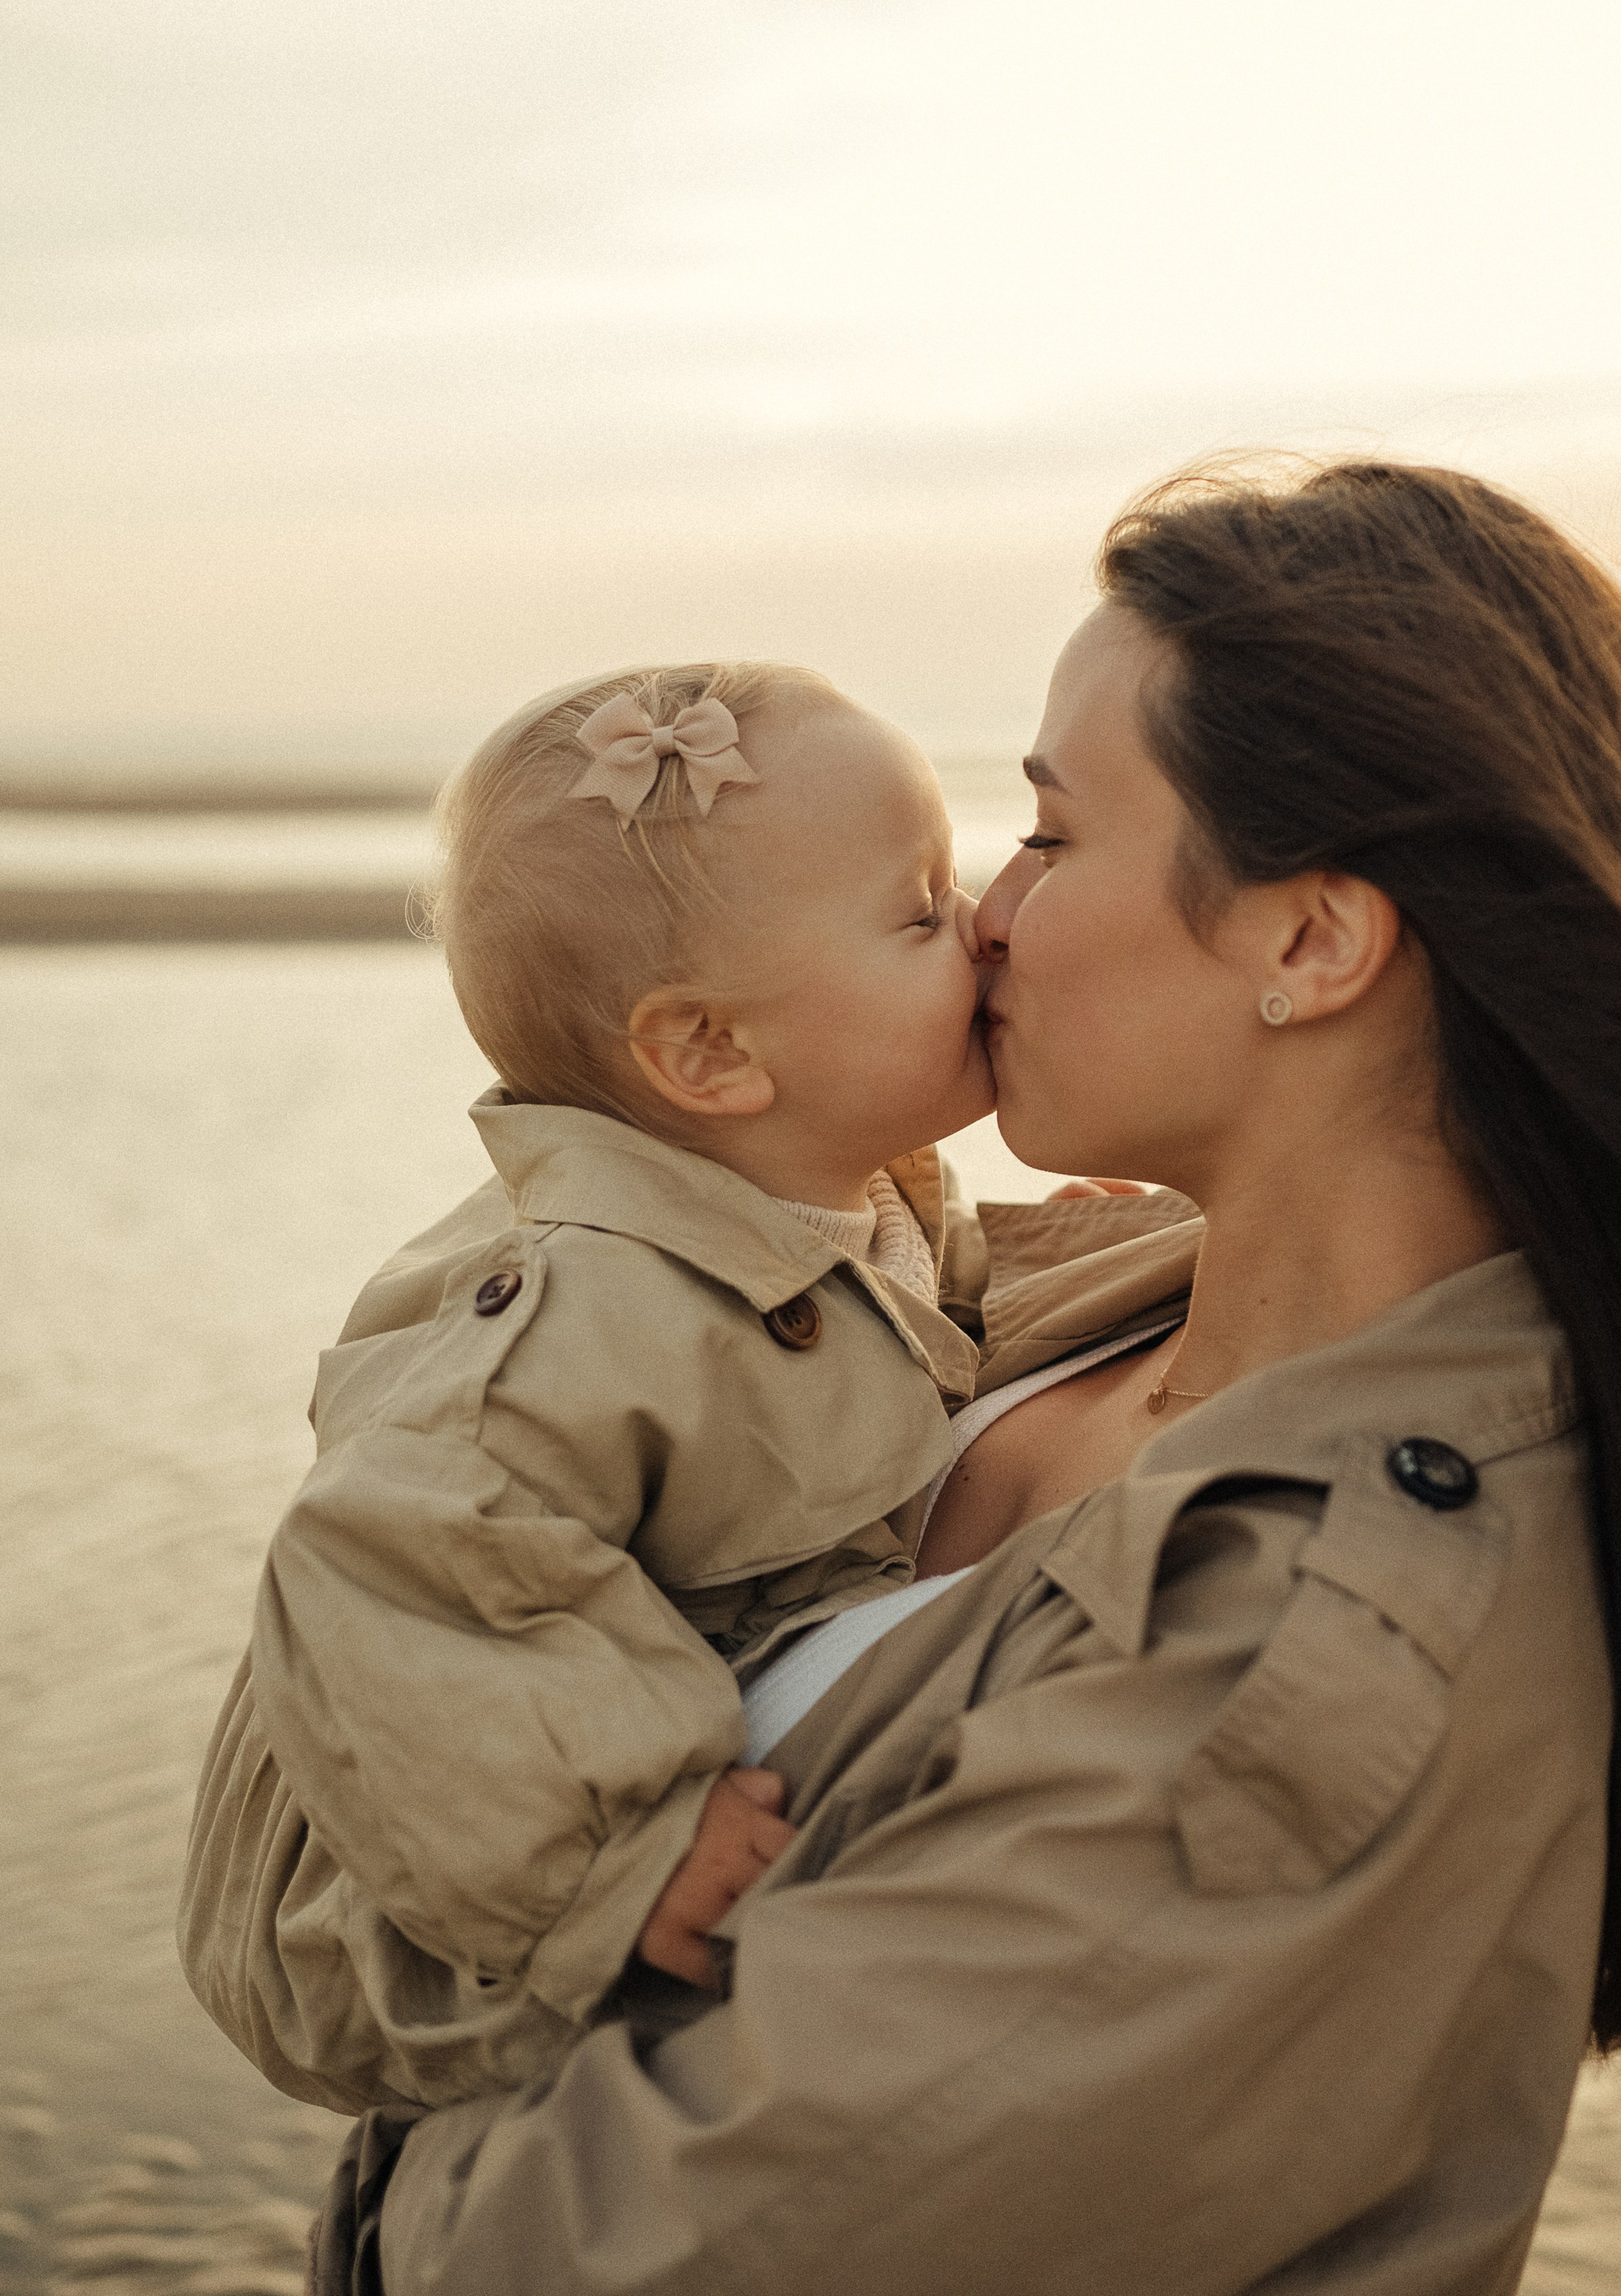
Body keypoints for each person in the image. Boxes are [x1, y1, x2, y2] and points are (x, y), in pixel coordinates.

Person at [319, 459, 1621, 2296]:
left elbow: (577, 2257)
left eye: (1048, 832)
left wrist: (402, 1840)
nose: (992, 913)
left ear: (1310, 939)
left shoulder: (1319, 1646)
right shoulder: (1045, 1293)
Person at [180, 660, 1198, 2113]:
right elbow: (386, 1557)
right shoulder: (590, 1307)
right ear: (711, 1052)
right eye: (918, 913)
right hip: (408, 1878)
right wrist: (619, 1842)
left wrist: (1151, 1220)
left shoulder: (846, 1192)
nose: (983, 924)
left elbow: (931, 1316)